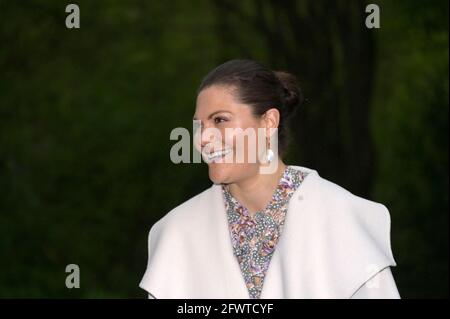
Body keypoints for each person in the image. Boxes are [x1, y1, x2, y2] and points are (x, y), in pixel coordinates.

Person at [139, 59, 400, 299]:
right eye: (199, 125)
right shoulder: (179, 231)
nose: (203, 138)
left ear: (268, 122)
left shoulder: (341, 219)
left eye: (219, 120)